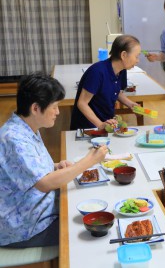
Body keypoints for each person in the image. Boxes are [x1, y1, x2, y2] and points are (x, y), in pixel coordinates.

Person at [0, 73, 108, 248]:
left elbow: (31, 172)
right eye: (55, 107)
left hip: (39, 210)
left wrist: (56, 166)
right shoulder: (14, 138)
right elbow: (44, 183)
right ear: (35, 108)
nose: (58, 112)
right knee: (91, 234)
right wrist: (89, 161)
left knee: (94, 205)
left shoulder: (26, 127)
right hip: (25, 226)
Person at [70, 35, 141, 130]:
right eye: (136, 56)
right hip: (87, 127)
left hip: (106, 124)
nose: (138, 61)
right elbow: (82, 103)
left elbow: (116, 91)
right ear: (123, 55)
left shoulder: (121, 70)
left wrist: (131, 104)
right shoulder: (97, 72)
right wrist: (100, 124)